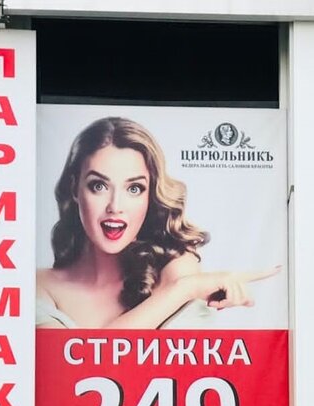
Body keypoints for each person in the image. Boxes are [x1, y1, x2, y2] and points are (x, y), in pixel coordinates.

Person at [37, 116, 277, 329]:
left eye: (134, 188)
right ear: (75, 189)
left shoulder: (175, 271)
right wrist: (183, 290)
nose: (115, 206)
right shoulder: (39, 286)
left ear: (150, 195)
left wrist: (181, 285)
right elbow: (89, 357)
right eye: (99, 186)